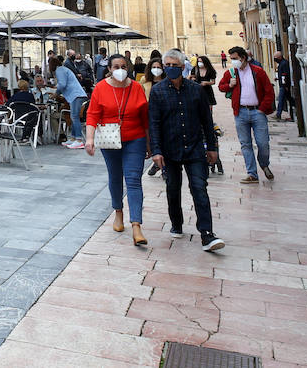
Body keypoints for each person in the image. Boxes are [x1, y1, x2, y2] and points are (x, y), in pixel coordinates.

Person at [147, 49, 224, 252]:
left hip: (194, 147)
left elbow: (207, 121)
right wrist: (156, 151)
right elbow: (154, 123)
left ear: (183, 67)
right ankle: (177, 223)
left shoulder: (196, 90)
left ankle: (207, 234)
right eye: (168, 65)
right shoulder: (157, 91)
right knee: (173, 188)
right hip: (169, 149)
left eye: (175, 65)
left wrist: (212, 147)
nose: (171, 68)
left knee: (199, 188)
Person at [85, 54, 150, 246]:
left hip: (135, 139)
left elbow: (145, 117)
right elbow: (92, 114)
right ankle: (118, 212)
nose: (120, 70)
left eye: (123, 66)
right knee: (115, 177)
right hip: (110, 140)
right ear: (109, 69)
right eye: (116, 67)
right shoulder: (101, 88)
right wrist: (89, 139)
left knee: (134, 180)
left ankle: (136, 225)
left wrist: (149, 143)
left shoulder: (136, 87)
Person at [220, 46, 276, 184]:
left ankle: (264, 164)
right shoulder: (231, 73)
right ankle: (252, 174)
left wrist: (262, 109)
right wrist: (229, 85)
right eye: (231, 59)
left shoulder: (258, 72)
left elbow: (269, 91)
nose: (233, 61)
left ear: (243, 58)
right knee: (245, 144)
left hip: (257, 112)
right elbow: (221, 86)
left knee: (263, 143)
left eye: (235, 58)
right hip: (240, 113)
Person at [191, 56, 223, 174]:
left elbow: (213, 81)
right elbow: (191, 78)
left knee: (207, 114)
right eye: (198, 61)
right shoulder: (195, 69)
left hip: (207, 93)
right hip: (196, 93)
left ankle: (207, 125)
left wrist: (206, 83)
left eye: (201, 61)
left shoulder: (210, 70)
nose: (199, 63)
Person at [53, 55, 88, 149]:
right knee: (73, 116)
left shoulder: (59, 70)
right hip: (76, 95)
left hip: (75, 95)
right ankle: (73, 138)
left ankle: (79, 140)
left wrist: (56, 93)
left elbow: (62, 84)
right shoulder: (63, 69)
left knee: (74, 117)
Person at [273, 51, 293, 121]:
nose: (275, 59)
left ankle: (278, 114)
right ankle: (293, 113)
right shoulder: (281, 63)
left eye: (276, 58)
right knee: (289, 99)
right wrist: (278, 78)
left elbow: (285, 75)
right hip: (283, 85)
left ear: (280, 57)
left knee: (281, 99)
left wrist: (285, 85)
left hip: (284, 86)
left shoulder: (284, 63)